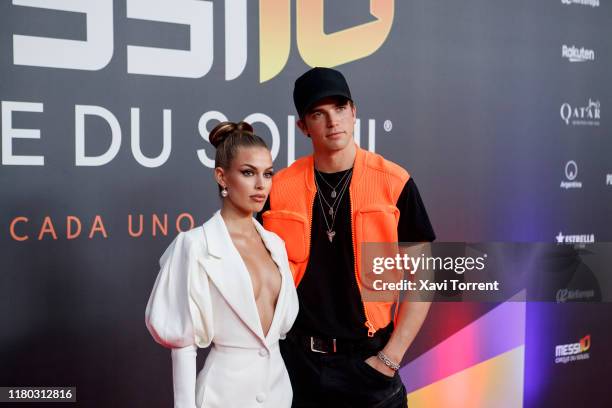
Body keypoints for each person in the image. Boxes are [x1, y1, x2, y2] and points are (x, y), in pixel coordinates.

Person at [257, 67, 436, 407]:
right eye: (318, 114)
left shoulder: (395, 183)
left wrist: (389, 360)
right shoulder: (277, 189)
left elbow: (422, 279)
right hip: (295, 366)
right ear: (303, 127)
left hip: (369, 364)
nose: (332, 121)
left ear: (354, 112)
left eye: (340, 109)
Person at [146, 121, 299, 408]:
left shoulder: (276, 245)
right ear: (222, 176)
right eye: (248, 173)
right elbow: (183, 344)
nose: (260, 184)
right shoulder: (194, 246)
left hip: (279, 395)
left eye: (268, 174)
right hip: (222, 397)